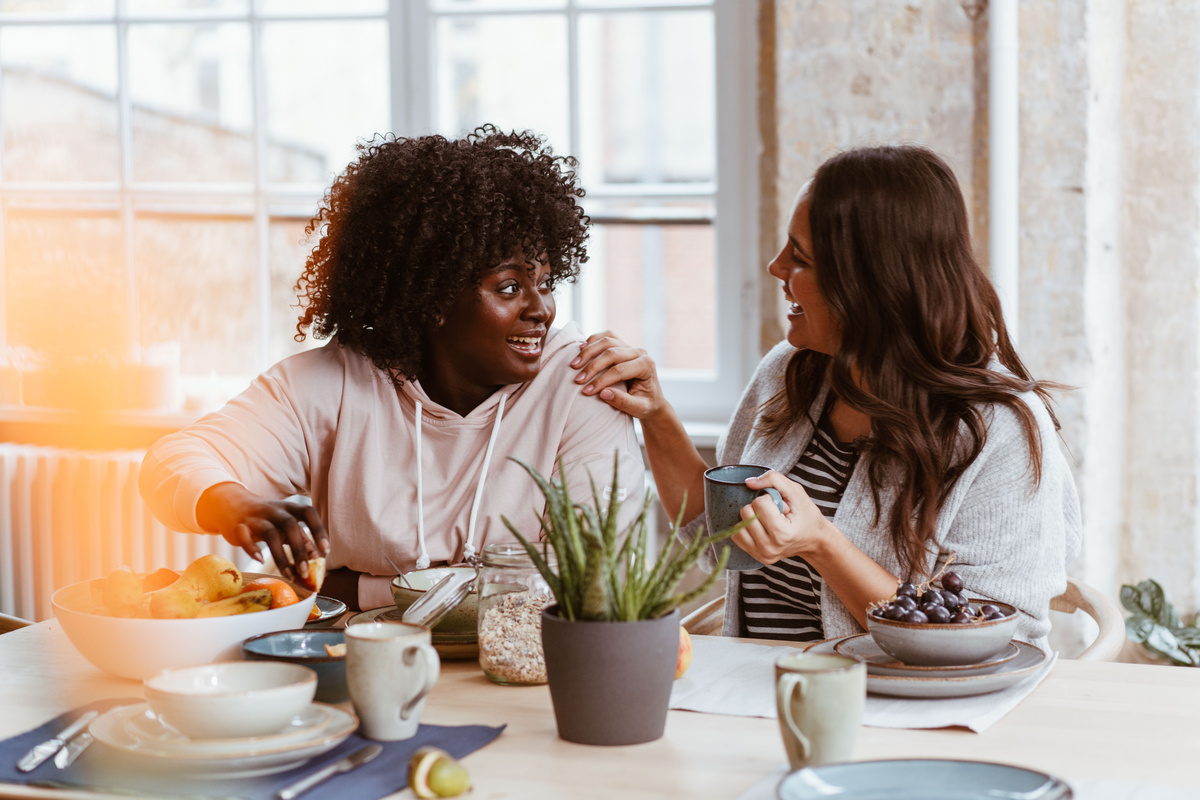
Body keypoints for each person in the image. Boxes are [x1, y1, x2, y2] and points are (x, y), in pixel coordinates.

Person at [572, 145, 1081, 646]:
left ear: (871, 285)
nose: (774, 267)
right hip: (758, 698)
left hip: (900, 719)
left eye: (801, 258)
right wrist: (655, 413)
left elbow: (989, 639)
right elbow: (719, 540)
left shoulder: (1000, 431)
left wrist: (822, 544)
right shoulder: (790, 375)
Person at [139, 125, 645, 611]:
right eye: (510, 287)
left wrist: (359, 589)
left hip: (520, 668)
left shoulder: (581, 384)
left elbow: (588, 579)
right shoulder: (333, 384)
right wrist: (230, 501)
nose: (542, 309)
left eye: (546, 282)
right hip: (360, 661)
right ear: (432, 300)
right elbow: (171, 462)